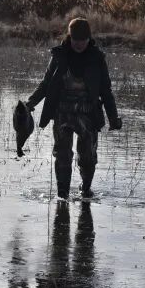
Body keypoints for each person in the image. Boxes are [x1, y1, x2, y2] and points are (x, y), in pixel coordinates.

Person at [26, 17, 122, 199]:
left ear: (89, 39)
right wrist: (31, 103)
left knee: (87, 157)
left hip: (88, 115)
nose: (79, 44)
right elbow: (46, 84)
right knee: (62, 156)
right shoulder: (59, 55)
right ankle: (62, 195)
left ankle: (85, 190)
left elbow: (106, 91)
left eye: (83, 40)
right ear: (70, 37)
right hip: (62, 114)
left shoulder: (97, 58)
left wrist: (113, 118)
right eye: (75, 40)